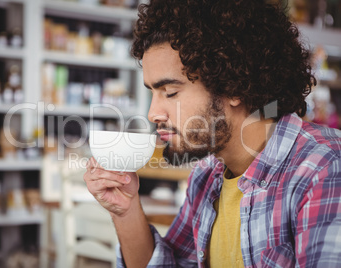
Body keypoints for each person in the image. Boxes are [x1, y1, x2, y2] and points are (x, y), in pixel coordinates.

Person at [84, 0, 341, 267]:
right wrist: (125, 211)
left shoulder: (324, 169)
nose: (153, 114)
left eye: (170, 92)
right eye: (153, 93)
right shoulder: (206, 178)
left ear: (235, 86)